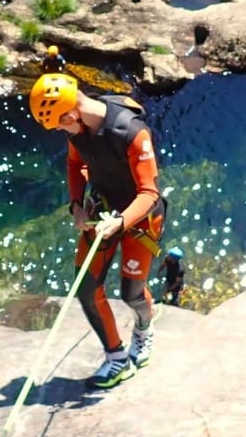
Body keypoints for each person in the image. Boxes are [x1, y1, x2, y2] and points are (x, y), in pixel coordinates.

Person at [29, 69, 165, 390]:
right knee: (87, 288)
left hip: (139, 219)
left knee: (132, 293)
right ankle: (116, 358)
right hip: (101, 211)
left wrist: (120, 222)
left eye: (60, 124)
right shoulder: (77, 129)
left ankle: (144, 329)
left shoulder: (131, 132)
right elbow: (75, 164)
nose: (61, 131)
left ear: (72, 113)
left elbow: (149, 193)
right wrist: (76, 204)